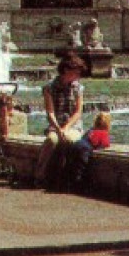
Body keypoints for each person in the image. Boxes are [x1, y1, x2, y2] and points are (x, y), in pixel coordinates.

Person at [33, 52, 87, 187]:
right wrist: (58, 129)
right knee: (52, 140)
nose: (78, 76)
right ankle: (39, 175)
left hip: (73, 126)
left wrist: (66, 128)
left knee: (70, 140)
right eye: (76, 72)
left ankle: (66, 177)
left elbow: (78, 112)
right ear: (66, 70)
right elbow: (50, 112)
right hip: (55, 125)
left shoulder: (78, 88)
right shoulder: (49, 87)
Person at [60, 112, 112, 191]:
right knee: (80, 168)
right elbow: (105, 144)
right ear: (107, 125)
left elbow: (85, 137)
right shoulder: (103, 133)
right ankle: (76, 186)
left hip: (76, 145)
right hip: (84, 149)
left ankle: (65, 183)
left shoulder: (90, 130)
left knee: (70, 164)